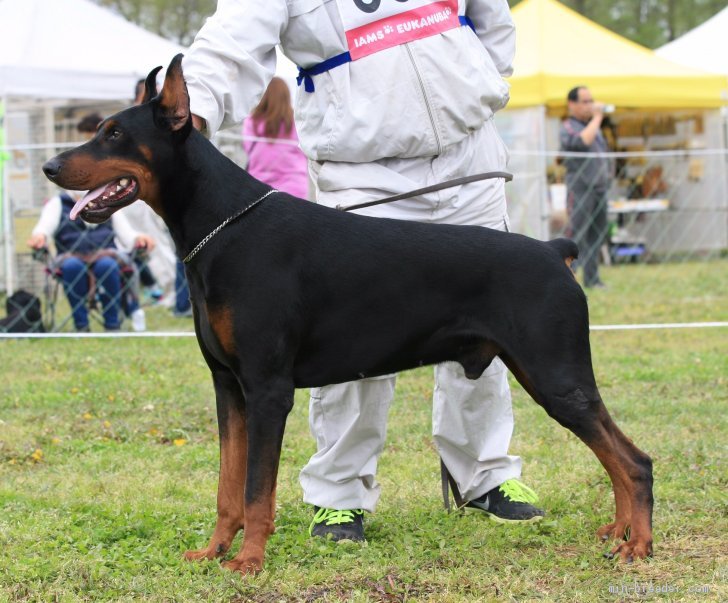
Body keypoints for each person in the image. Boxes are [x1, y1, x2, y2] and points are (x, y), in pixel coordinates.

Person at [183, 0, 544, 542]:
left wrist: (478, 85)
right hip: (365, 175)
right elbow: (230, 42)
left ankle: (486, 474)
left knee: (488, 322)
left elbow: (492, 19)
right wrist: (192, 109)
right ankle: (339, 494)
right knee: (349, 338)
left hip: (471, 159)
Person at [28, 189, 154, 332]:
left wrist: (138, 238)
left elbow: (127, 235)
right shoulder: (58, 203)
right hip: (70, 255)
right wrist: (39, 237)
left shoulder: (107, 201)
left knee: (107, 265)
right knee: (71, 267)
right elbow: (43, 228)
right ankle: (81, 324)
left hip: (105, 254)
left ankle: (113, 324)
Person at [559, 86, 613, 289]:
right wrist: (597, 118)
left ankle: (593, 279)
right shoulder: (568, 126)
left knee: (596, 236)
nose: (590, 105)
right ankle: (566, 279)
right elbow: (583, 141)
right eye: (585, 101)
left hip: (600, 188)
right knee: (575, 236)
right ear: (572, 104)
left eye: (592, 101)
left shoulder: (593, 127)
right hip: (580, 189)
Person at [243, 77, 309, 199]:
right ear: (286, 96)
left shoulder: (251, 122)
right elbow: (307, 151)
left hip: (258, 190)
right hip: (294, 189)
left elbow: (248, 149)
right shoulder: (297, 122)